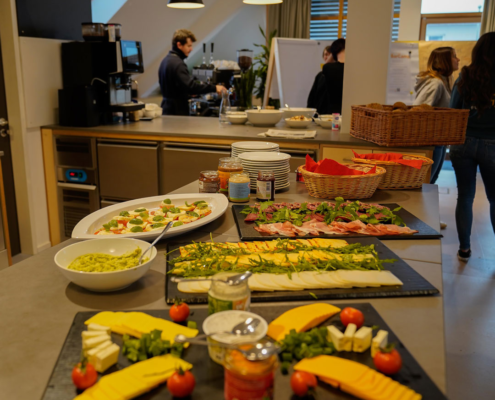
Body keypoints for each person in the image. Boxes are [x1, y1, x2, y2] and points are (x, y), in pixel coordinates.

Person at [449, 32, 495, 262]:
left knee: (465, 196)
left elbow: (453, 109)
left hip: (463, 142)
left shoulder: (466, 75)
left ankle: (464, 249)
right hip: (493, 144)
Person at [414, 47, 460, 185]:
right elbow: (419, 110)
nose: (458, 59)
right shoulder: (435, 83)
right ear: (444, 61)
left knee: (430, 183)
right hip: (430, 142)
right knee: (426, 185)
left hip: (438, 141)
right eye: (454, 56)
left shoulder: (444, 81)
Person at [159, 29, 226, 115]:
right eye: (188, 46)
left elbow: (174, 87)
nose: (191, 49)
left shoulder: (165, 60)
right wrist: (215, 88)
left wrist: (187, 94)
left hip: (166, 108)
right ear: (179, 45)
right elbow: (191, 87)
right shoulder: (178, 64)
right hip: (177, 111)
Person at [307, 39, 345, 115]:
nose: (327, 57)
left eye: (329, 54)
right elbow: (312, 97)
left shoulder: (328, 69)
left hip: (329, 113)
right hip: (326, 112)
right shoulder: (320, 75)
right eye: (325, 54)